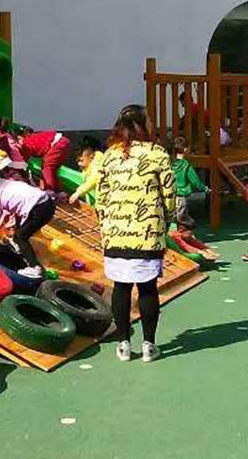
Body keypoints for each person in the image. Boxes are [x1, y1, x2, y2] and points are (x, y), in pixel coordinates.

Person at [95, 104, 175, 363]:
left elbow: (101, 197)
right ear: (145, 125)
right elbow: (169, 196)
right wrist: (165, 222)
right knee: (148, 287)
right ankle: (149, 345)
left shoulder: (109, 155)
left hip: (116, 232)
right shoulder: (158, 154)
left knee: (121, 287)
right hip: (148, 230)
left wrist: (105, 225)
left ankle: (123, 344)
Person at [0, 175, 55, 279]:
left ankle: (35, 268)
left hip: (39, 209)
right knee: (20, 235)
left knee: (20, 237)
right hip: (48, 203)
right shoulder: (11, 183)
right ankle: (19, 247)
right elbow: (20, 208)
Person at [17, 127, 71, 193]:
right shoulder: (32, 138)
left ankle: (50, 191)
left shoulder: (26, 144)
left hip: (57, 144)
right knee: (51, 170)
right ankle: (58, 190)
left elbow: (23, 160)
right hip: (60, 142)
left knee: (48, 169)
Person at [168, 136, 209, 222]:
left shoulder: (169, 162)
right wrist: (205, 188)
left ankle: (171, 232)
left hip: (169, 195)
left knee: (171, 219)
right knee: (184, 221)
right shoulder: (185, 164)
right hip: (181, 197)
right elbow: (195, 181)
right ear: (186, 149)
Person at [69, 136, 105, 204]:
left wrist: (78, 193)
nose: (79, 164)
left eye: (81, 160)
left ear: (91, 155)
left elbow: (94, 178)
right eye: (78, 161)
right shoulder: (88, 165)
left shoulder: (98, 161)